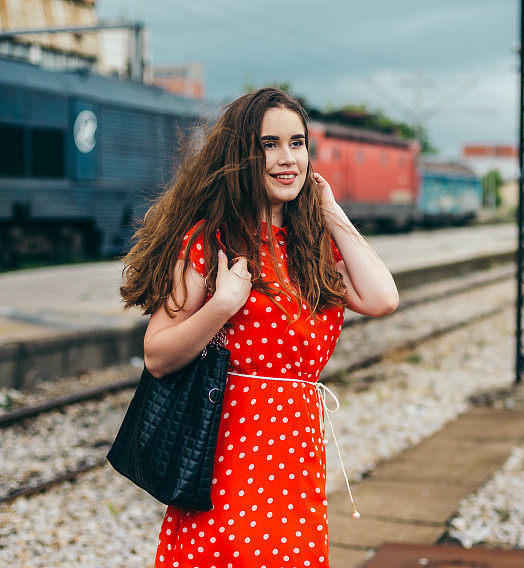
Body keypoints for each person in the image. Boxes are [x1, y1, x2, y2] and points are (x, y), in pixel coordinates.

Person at [119, 87, 399, 567]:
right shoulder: (211, 242)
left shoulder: (311, 248)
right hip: (231, 457)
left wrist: (329, 208)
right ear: (241, 155)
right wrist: (221, 305)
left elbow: (382, 298)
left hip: (297, 457)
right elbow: (157, 354)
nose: (287, 158)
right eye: (269, 144)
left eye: (298, 143)